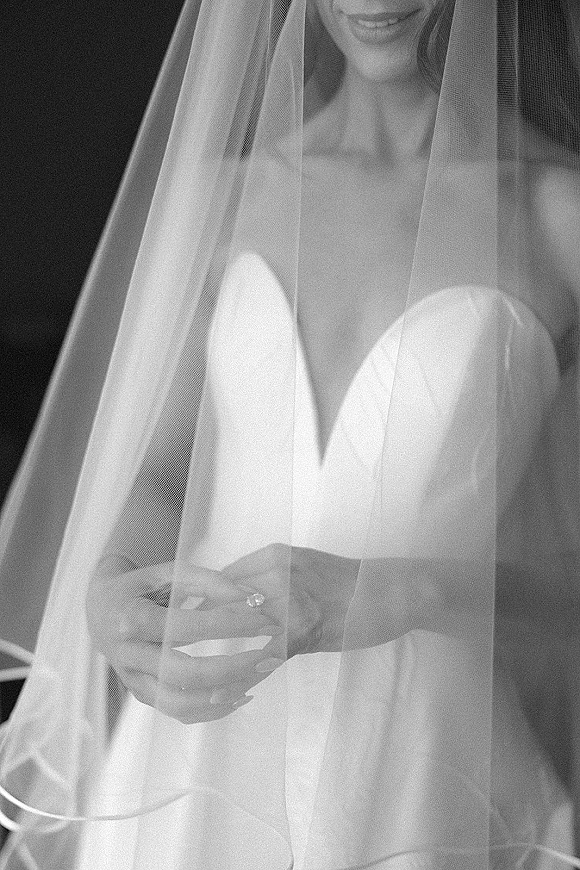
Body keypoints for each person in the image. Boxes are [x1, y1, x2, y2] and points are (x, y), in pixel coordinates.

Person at [1, 0, 580, 867]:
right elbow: (164, 471)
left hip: (427, 771)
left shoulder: (558, 211)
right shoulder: (227, 193)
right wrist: (111, 589)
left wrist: (407, 592)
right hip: (193, 757)